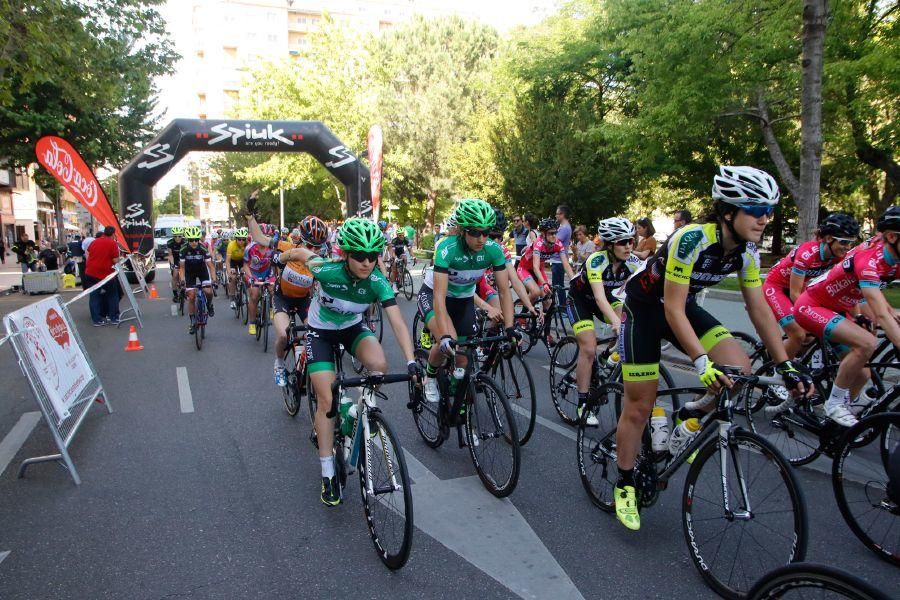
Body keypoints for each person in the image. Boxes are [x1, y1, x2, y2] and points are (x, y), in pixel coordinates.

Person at [614, 166, 811, 532]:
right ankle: (624, 480)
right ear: (727, 211)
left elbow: (758, 310)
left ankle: (690, 412)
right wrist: (701, 361)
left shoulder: (748, 252)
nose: (765, 218)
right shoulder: (691, 239)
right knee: (640, 405)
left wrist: (786, 366)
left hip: (680, 308)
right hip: (645, 310)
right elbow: (671, 309)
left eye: (769, 210)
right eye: (755, 208)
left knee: (740, 369)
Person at [269, 215, 418, 506]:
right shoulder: (327, 270)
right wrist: (280, 257)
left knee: (379, 366)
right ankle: (327, 474)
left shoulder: (377, 281)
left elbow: (398, 322)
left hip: (351, 328)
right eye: (359, 256)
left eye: (373, 256)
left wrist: (412, 362)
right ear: (345, 254)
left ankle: (359, 411)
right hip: (321, 333)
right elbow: (300, 252)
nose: (366, 262)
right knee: (327, 402)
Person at [793, 206, 900, 427]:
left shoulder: (893, 257)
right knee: (867, 342)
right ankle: (834, 404)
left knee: (863, 375)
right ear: (892, 236)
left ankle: (836, 426)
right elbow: (880, 312)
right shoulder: (870, 260)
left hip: (840, 308)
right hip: (812, 305)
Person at [420, 199, 518, 404]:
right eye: (474, 232)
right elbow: (439, 295)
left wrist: (510, 328)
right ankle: (429, 376)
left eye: (486, 232)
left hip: (463, 299)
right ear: (463, 231)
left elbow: (504, 291)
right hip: (435, 296)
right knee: (449, 343)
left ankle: (456, 398)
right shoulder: (447, 248)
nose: (481, 238)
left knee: (463, 357)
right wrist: (445, 335)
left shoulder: (493, 250)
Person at [566, 218, 642, 425]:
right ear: (609, 244)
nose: (628, 246)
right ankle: (582, 405)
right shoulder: (596, 261)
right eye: (622, 242)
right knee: (589, 348)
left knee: (630, 325)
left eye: (631, 241)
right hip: (581, 301)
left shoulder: (633, 262)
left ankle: (606, 357)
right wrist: (616, 324)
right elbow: (599, 298)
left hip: (607, 298)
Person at [763, 212, 860, 360]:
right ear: (828, 238)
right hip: (776, 287)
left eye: (850, 243)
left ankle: (799, 357)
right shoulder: (807, 253)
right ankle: (780, 373)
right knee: (798, 334)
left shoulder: (840, 257)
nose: (847, 248)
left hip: (802, 287)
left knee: (816, 334)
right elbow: (795, 293)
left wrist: (857, 317)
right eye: (843, 242)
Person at [246, 207, 324, 387]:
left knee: (317, 334)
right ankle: (279, 365)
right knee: (283, 335)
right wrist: (250, 217)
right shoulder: (287, 247)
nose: (314, 250)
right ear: (301, 241)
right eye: (310, 245)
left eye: (318, 247)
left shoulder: (320, 260)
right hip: (283, 298)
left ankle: (304, 364)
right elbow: (259, 238)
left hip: (304, 300)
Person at [179, 226, 216, 334]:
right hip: (189, 273)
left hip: (202, 271)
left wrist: (214, 280)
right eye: (191, 240)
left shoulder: (203, 248)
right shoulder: (183, 249)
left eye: (196, 239)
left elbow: (211, 266)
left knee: (208, 291)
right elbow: (182, 267)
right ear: (188, 240)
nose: (194, 242)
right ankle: (192, 321)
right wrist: (182, 280)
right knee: (191, 296)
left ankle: (209, 304)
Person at [243, 223, 278, 337]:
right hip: (253, 272)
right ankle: (252, 322)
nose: (264, 239)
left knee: (273, 289)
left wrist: (279, 276)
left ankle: (270, 307)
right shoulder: (250, 248)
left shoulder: (271, 247)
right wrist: (251, 277)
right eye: (262, 236)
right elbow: (245, 266)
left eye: (267, 236)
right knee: (254, 295)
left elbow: (277, 263)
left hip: (267, 271)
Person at [84, 226, 121, 326]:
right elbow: (115, 260)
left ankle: (97, 320)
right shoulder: (112, 243)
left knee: (94, 296)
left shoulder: (95, 242)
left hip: (91, 273)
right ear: (113, 234)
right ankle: (113, 317)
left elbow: (88, 252)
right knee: (112, 295)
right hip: (106, 274)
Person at [553, 205, 573, 307]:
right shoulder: (563, 227)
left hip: (559, 261)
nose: (556, 215)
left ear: (563, 214)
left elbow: (554, 241)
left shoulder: (565, 228)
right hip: (557, 260)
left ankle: (563, 306)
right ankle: (560, 306)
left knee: (558, 286)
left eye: (557, 213)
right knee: (556, 285)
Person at [225, 228, 248, 309]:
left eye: (243, 239)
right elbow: (227, 261)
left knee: (246, 276)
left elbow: (250, 260)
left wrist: (245, 268)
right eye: (239, 239)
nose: (241, 241)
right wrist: (229, 272)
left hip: (243, 260)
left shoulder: (247, 244)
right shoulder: (231, 245)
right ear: (236, 239)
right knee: (233, 277)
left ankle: (245, 292)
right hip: (233, 261)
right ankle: (232, 299)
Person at [167, 227, 185, 301]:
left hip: (183, 259)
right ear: (173, 236)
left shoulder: (185, 241)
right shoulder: (170, 242)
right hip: (175, 259)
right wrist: (172, 264)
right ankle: (175, 295)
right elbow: (170, 255)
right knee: (175, 275)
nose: (177, 238)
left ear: (182, 236)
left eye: (179, 236)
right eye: (175, 236)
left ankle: (186, 289)